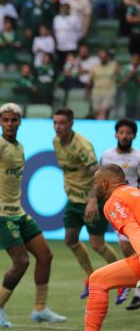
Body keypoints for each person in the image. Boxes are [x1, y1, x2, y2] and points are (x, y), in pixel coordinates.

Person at [0, 103, 66, 329]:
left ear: (20, 121)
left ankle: (40, 309)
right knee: (21, 261)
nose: (10, 124)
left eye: (14, 120)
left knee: (46, 256)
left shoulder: (19, 147)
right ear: (0, 122)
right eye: (5, 120)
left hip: (18, 212)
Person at [51, 165, 140, 331]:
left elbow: (133, 230)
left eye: (95, 183)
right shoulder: (134, 193)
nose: (94, 188)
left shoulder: (114, 202)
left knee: (98, 280)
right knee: (98, 279)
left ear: (105, 184)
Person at [52, 107, 119, 299]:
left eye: (62, 123)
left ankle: (121, 281)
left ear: (71, 123)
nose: (58, 127)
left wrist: (92, 200)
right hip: (73, 201)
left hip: (91, 200)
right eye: (55, 123)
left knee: (97, 244)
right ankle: (91, 277)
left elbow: (99, 175)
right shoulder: (56, 142)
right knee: (70, 239)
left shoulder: (83, 146)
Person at [100, 118, 140, 309]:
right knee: (126, 248)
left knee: (134, 245)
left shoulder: (138, 157)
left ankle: (137, 292)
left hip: (134, 206)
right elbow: (100, 181)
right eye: (121, 132)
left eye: (128, 133)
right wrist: (94, 200)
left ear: (134, 135)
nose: (124, 136)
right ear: (116, 134)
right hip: (118, 208)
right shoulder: (107, 155)